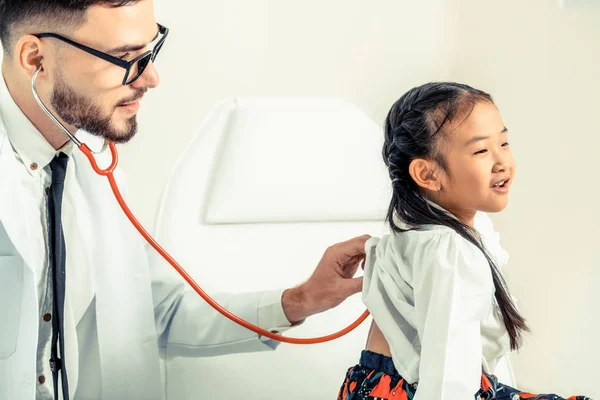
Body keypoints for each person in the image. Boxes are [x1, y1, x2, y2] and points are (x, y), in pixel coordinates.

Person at [0, 1, 368, 399]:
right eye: (125, 58)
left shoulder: (89, 159)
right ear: (35, 58)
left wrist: (299, 301)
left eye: (150, 52)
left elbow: (150, 313)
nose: (151, 77)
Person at [336, 82, 590, 400]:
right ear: (427, 175)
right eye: (482, 150)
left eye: (504, 143)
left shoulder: (411, 236)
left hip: (371, 385)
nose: (502, 162)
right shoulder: (449, 250)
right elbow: (447, 380)